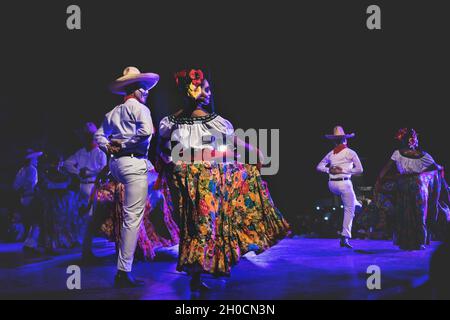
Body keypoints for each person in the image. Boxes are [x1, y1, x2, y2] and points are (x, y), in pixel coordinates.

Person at [158, 68, 290, 291]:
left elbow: (234, 142)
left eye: (209, 90)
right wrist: (172, 162)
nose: (209, 94)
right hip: (190, 178)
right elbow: (162, 144)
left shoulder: (212, 122)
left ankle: (202, 273)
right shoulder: (173, 121)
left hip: (208, 177)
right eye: (205, 90)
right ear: (193, 90)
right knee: (197, 225)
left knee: (205, 224)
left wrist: (254, 152)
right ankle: (199, 273)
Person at [95, 66, 159, 288]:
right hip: (132, 162)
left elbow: (99, 135)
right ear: (137, 90)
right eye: (146, 89)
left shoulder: (113, 112)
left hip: (116, 165)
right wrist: (123, 143)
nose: (148, 93)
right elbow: (146, 132)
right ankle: (123, 271)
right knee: (132, 218)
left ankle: (124, 263)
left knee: (126, 215)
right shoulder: (141, 109)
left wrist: (109, 146)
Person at [376, 128, 443, 250]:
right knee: (416, 213)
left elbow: (386, 169)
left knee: (409, 212)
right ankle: (418, 242)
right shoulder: (422, 155)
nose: (410, 141)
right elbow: (437, 168)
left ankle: (410, 241)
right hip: (416, 185)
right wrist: (424, 172)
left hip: (409, 185)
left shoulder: (403, 153)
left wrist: (379, 180)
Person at [64, 122, 107, 261]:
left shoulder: (100, 153)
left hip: (94, 187)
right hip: (85, 188)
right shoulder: (81, 152)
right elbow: (67, 163)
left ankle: (86, 250)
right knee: (85, 219)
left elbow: (104, 170)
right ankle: (85, 251)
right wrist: (78, 173)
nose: (87, 139)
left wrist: (88, 172)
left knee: (90, 220)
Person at [316, 126, 363, 249]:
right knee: (349, 209)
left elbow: (318, 166)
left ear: (333, 141)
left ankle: (356, 203)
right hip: (344, 184)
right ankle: (344, 236)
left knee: (351, 195)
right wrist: (345, 170)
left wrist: (329, 170)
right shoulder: (351, 152)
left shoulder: (331, 154)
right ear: (345, 140)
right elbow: (359, 170)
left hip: (331, 185)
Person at [13, 149, 43, 254]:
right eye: (35, 158)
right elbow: (32, 185)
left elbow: (15, 186)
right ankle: (31, 244)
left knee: (30, 222)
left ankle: (28, 243)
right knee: (36, 221)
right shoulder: (32, 170)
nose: (37, 160)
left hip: (23, 198)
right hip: (31, 197)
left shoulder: (21, 170)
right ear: (31, 159)